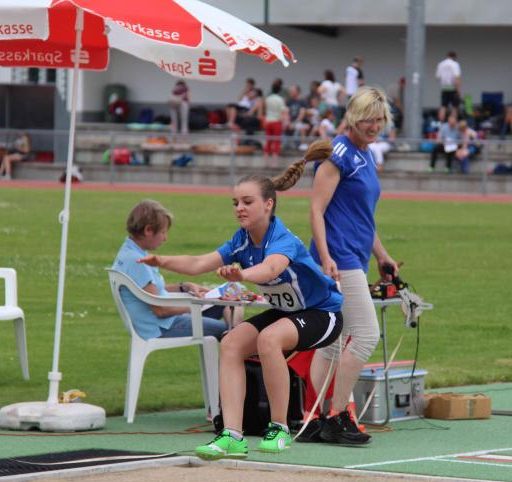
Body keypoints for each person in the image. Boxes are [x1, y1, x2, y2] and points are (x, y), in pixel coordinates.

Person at [139, 141, 344, 460]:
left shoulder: (282, 239)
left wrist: (242, 275)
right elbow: (199, 262)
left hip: (323, 313)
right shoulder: (241, 240)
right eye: (235, 202)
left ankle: (279, 428)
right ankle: (232, 435)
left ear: (268, 205)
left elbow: (271, 268)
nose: (239, 208)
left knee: (269, 339)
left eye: (247, 202)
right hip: (287, 312)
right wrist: (161, 260)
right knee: (231, 342)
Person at [305, 86, 398, 445]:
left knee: (333, 341)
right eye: (368, 120)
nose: (374, 126)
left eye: (379, 120)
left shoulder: (365, 154)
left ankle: (315, 417)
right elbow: (316, 210)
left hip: (353, 255)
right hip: (339, 258)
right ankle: (337, 414)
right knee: (366, 335)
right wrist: (326, 257)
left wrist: (381, 255)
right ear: (353, 118)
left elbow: (363, 217)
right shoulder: (339, 154)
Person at [112, 200, 229, 342]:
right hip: (160, 327)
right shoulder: (137, 262)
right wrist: (194, 304)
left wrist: (183, 287)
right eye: (163, 232)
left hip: (160, 322)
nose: (165, 238)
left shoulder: (129, 252)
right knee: (229, 331)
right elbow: (161, 310)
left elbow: (147, 292)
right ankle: (238, 350)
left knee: (225, 303)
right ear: (148, 230)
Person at [263, 79, 288, 167]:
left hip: (268, 121)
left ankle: (266, 161)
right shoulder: (280, 99)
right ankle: (275, 162)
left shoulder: (268, 99)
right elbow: (283, 111)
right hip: (276, 121)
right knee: (276, 141)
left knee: (268, 141)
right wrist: (285, 122)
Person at [435, 51, 461, 122]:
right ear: (454, 57)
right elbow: (457, 77)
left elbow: (438, 76)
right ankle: (453, 123)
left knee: (443, 106)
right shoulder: (455, 64)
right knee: (455, 107)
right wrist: (458, 90)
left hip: (444, 88)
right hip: (453, 87)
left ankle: (440, 123)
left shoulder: (441, 64)